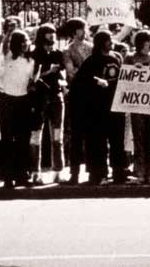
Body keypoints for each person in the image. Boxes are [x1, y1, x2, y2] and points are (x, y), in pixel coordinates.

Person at [74, 30, 127, 185]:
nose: (111, 42)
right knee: (97, 141)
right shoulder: (91, 61)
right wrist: (96, 81)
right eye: (108, 40)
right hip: (97, 108)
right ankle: (98, 173)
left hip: (115, 105)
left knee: (117, 141)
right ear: (101, 43)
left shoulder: (117, 57)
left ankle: (119, 172)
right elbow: (80, 80)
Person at [0, 29, 35, 187]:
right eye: (22, 42)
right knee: (8, 139)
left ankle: (22, 174)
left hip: (23, 100)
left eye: (27, 42)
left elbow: (31, 80)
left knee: (23, 139)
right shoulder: (6, 58)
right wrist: (4, 55)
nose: (25, 45)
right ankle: (8, 176)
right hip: (7, 100)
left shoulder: (31, 60)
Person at [29, 25, 66, 184]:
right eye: (48, 33)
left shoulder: (58, 53)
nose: (52, 36)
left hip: (56, 94)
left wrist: (63, 84)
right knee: (36, 135)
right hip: (39, 96)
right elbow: (32, 77)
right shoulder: (34, 53)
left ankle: (58, 170)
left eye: (53, 33)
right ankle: (35, 172)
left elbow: (62, 72)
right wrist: (49, 71)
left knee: (58, 135)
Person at [126, 30, 150, 184]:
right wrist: (135, 70)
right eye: (147, 43)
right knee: (139, 137)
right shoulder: (130, 57)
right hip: (137, 102)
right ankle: (140, 172)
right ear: (140, 43)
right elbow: (125, 77)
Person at [59, 18, 91, 184]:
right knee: (76, 135)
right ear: (74, 31)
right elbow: (71, 72)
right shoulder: (68, 50)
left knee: (92, 133)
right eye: (81, 29)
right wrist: (89, 72)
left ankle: (93, 171)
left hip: (92, 93)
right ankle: (74, 173)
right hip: (77, 94)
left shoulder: (91, 47)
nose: (84, 31)